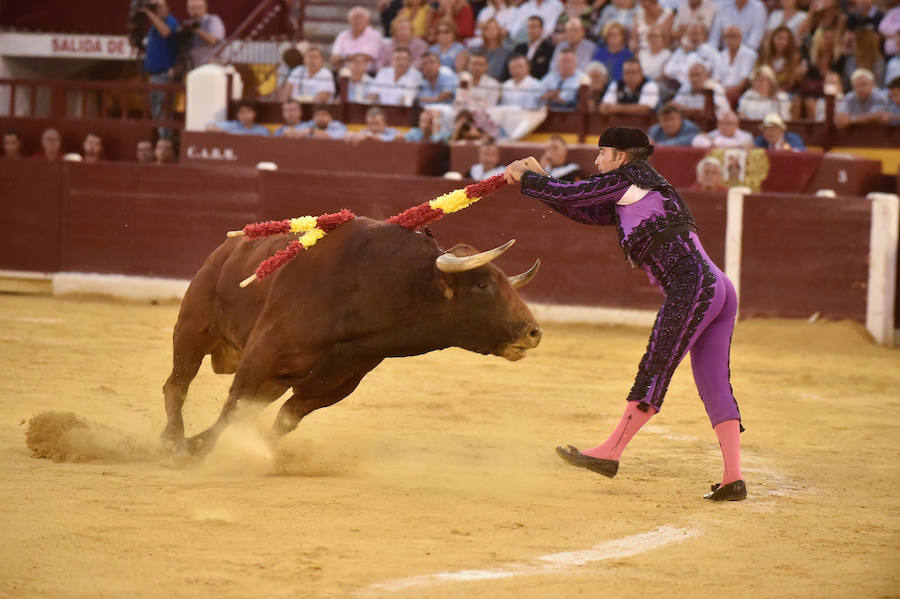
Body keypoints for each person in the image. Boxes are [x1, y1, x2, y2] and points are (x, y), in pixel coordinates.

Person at [503, 127, 747, 502]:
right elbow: (581, 208)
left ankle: (611, 452)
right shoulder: (637, 187)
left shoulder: (630, 177)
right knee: (713, 382)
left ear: (621, 156)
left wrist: (528, 178)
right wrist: (540, 179)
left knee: (657, 365)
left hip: (694, 283)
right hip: (716, 286)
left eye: (602, 153)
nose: (597, 161)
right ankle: (733, 478)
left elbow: (573, 194)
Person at [141, 0, 179, 128]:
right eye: (155, 8)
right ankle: (161, 139)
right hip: (154, 75)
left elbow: (166, 32)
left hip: (164, 74)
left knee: (163, 112)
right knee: (156, 111)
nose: (158, 10)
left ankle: (165, 142)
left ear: (167, 8)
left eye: (160, 7)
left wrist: (149, 13)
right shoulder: (153, 26)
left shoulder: (170, 21)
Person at [330, 6, 383, 71]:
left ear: (368, 20)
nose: (357, 21)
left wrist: (343, 57)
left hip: (368, 74)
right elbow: (334, 59)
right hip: (345, 73)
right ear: (349, 20)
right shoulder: (342, 35)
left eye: (360, 18)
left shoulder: (375, 35)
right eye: (354, 18)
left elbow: (368, 57)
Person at [715, 26, 756, 104]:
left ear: (740, 38)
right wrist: (722, 92)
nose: (730, 40)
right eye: (727, 36)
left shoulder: (750, 55)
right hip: (721, 93)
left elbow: (744, 83)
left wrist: (725, 93)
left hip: (740, 94)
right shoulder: (719, 56)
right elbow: (717, 80)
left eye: (734, 36)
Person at [184, 0, 225, 69]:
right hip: (194, 68)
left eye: (199, 8)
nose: (196, 12)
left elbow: (213, 40)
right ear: (187, 8)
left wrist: (197, 29)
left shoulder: (213, 20)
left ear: (205, 7)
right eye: (193, 8)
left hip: (212, 69)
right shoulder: (188, 24)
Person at [512, 15, 555, 80]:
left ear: (542, 29)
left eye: (534, 27)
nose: (531, 30)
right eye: (529, 27)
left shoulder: (549, 48)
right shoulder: (520, 48)